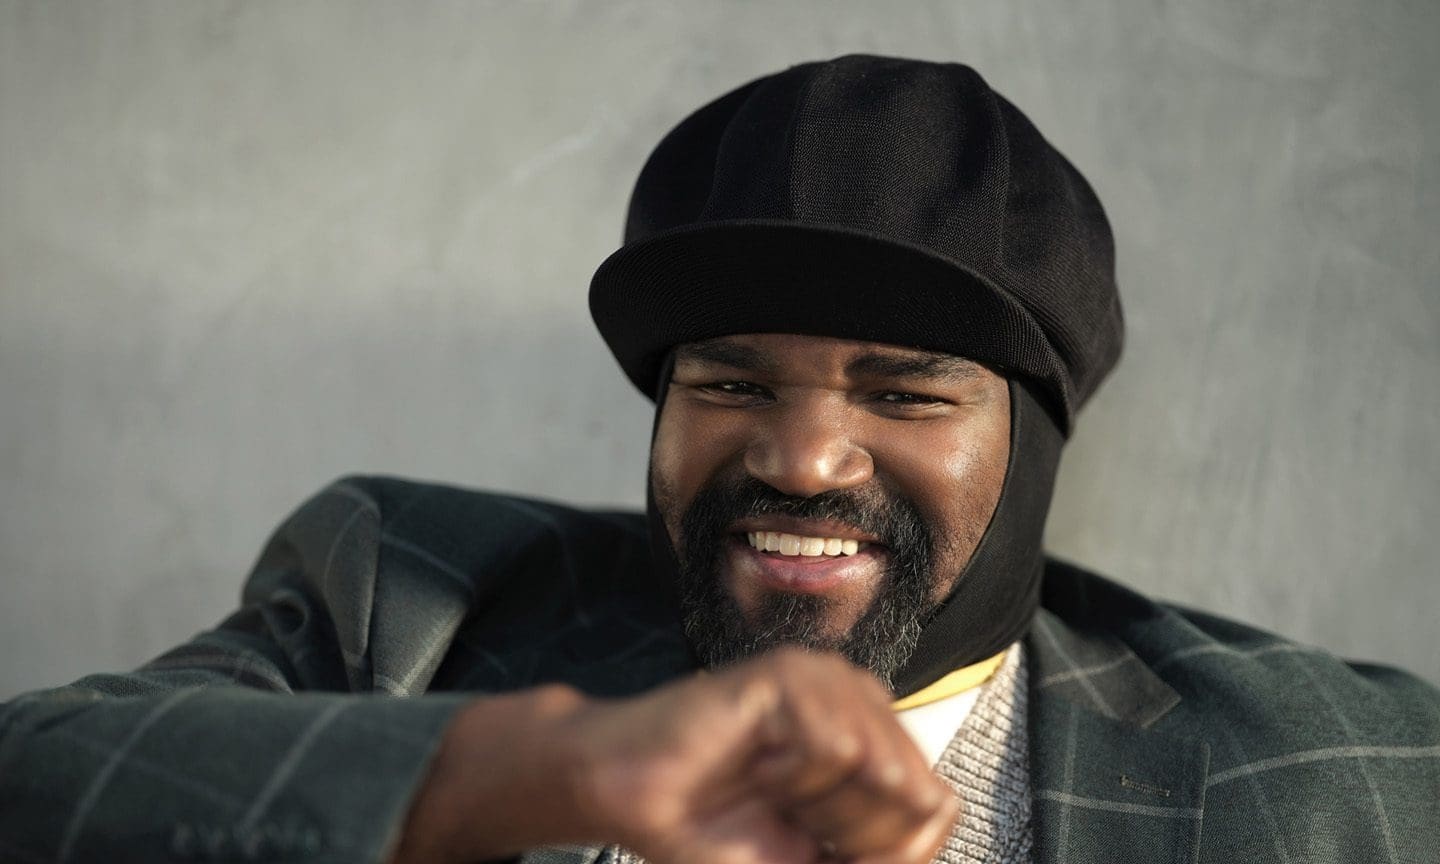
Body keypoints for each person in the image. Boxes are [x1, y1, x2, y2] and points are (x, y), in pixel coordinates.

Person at [2, 54, 1437, 864]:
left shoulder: (1332, 770)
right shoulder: (414, 600)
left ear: (1037, 437)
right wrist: (538, 768)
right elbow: (34, 777)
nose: (803, 458)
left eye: (904, 394)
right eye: (732, 381)